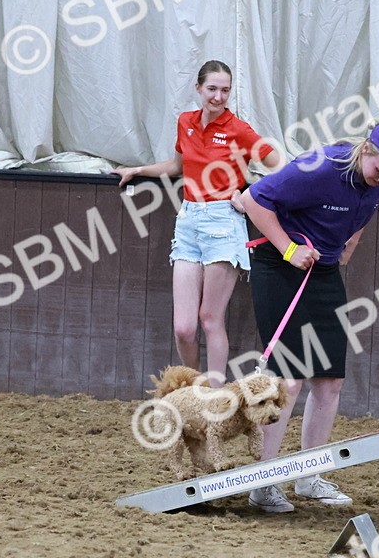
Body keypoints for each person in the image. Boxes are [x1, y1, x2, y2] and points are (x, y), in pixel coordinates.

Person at [239, 120, 379, 513]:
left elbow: (359, 221)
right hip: (278, 262)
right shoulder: (321, 168)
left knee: (330, 379)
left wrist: (344, 251)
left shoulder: (377, 185)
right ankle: (262, 482)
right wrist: (289, 249)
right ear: (367, 149)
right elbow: (252, 199)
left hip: (321, 269)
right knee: (289, 377)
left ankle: (308, 476)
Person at [114, 61, 280, 387]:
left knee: (210, 318)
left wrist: (249, 196)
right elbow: (177, 166)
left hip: (223, 221)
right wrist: (138, 170)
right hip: (189, 220)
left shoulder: (239, 130)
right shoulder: (186, 122)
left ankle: (214, 396)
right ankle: (194, 388)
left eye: (225, 90)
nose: (218, 97)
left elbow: (277, 165)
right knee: (183, 327)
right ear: (199, 88)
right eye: (212, 89)